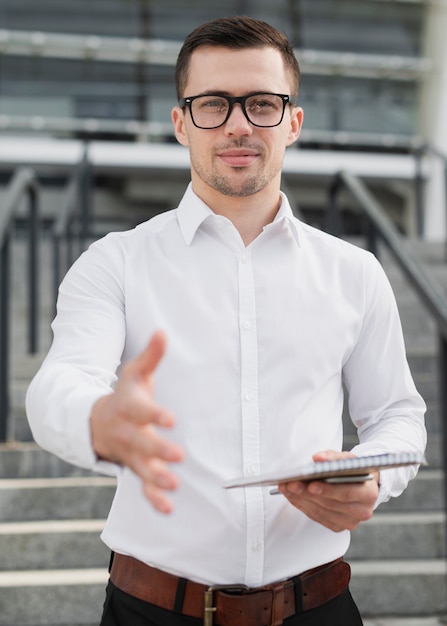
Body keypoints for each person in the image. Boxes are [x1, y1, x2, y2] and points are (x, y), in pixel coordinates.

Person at [26, 15, 426, 626]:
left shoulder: (356, 272)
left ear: (292, 122)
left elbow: (399, 416)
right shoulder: (117, 262)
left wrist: (371, 477)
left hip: (317, 606)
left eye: (261, 103)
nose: (238, 124)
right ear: (181, 123)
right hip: (151, 610)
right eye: (213, 103)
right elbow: (59, 385)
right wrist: (100, 419)